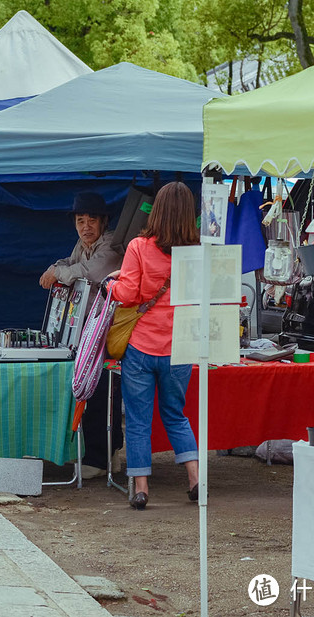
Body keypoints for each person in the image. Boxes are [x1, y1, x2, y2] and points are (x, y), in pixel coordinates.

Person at [109, 181, 200, 511]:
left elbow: (129, 294)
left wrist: (112, 284)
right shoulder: (198, 251)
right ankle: (194, 478)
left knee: (137, 419)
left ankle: (141, 489)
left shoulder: (138, 247)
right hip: (180, 346)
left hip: (142, 347)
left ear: (156, 211)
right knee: (176, 415)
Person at [38, 192, 125, 479]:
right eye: (80, 221)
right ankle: (105, 454)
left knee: (101, 391)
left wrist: (58, 272)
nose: (85, 227)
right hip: (90, 330)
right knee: (92, 389)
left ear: (104, 222)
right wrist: (56, 267)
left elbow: (93, 270)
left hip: (109, 330)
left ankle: (101, 457)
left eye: (91, 221)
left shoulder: (111, 245)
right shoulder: (83, 245)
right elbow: (72, 261)